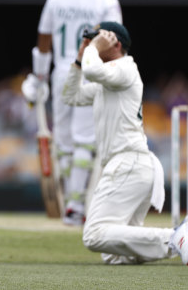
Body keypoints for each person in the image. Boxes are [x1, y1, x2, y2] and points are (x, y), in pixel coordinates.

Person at [63, 21, 187, 265]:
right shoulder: (106, 82)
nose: (93, 42)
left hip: (129, 162)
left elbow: (92, 72)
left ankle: (176, 236)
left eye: (100, 38)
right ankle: (178, 239)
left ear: (116, 44)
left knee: (94, 234)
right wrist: (80, 58)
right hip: (131, 165)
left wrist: (92, 50)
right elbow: (71, 95)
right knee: (115, 254)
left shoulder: (125, 68)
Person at [22, 0, 122, 225]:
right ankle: (75, 205)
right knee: (84, 140)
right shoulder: (108, 1)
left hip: (62, 73)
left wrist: (39, 77)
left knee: (64, 141)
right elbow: (114, 44)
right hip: (90, 71)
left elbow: (44, 42)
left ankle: (69, 198)